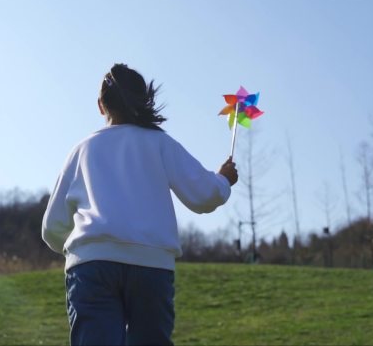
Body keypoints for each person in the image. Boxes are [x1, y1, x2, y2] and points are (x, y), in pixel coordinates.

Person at [42, 63, 238, 345]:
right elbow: (203, 195)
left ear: (100, 106)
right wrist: (223, 179)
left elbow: (52, 227)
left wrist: (85, 250)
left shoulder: (81, 150)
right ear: (144, 100)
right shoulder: (159, 143)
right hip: (151, 265)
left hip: (92, 267)